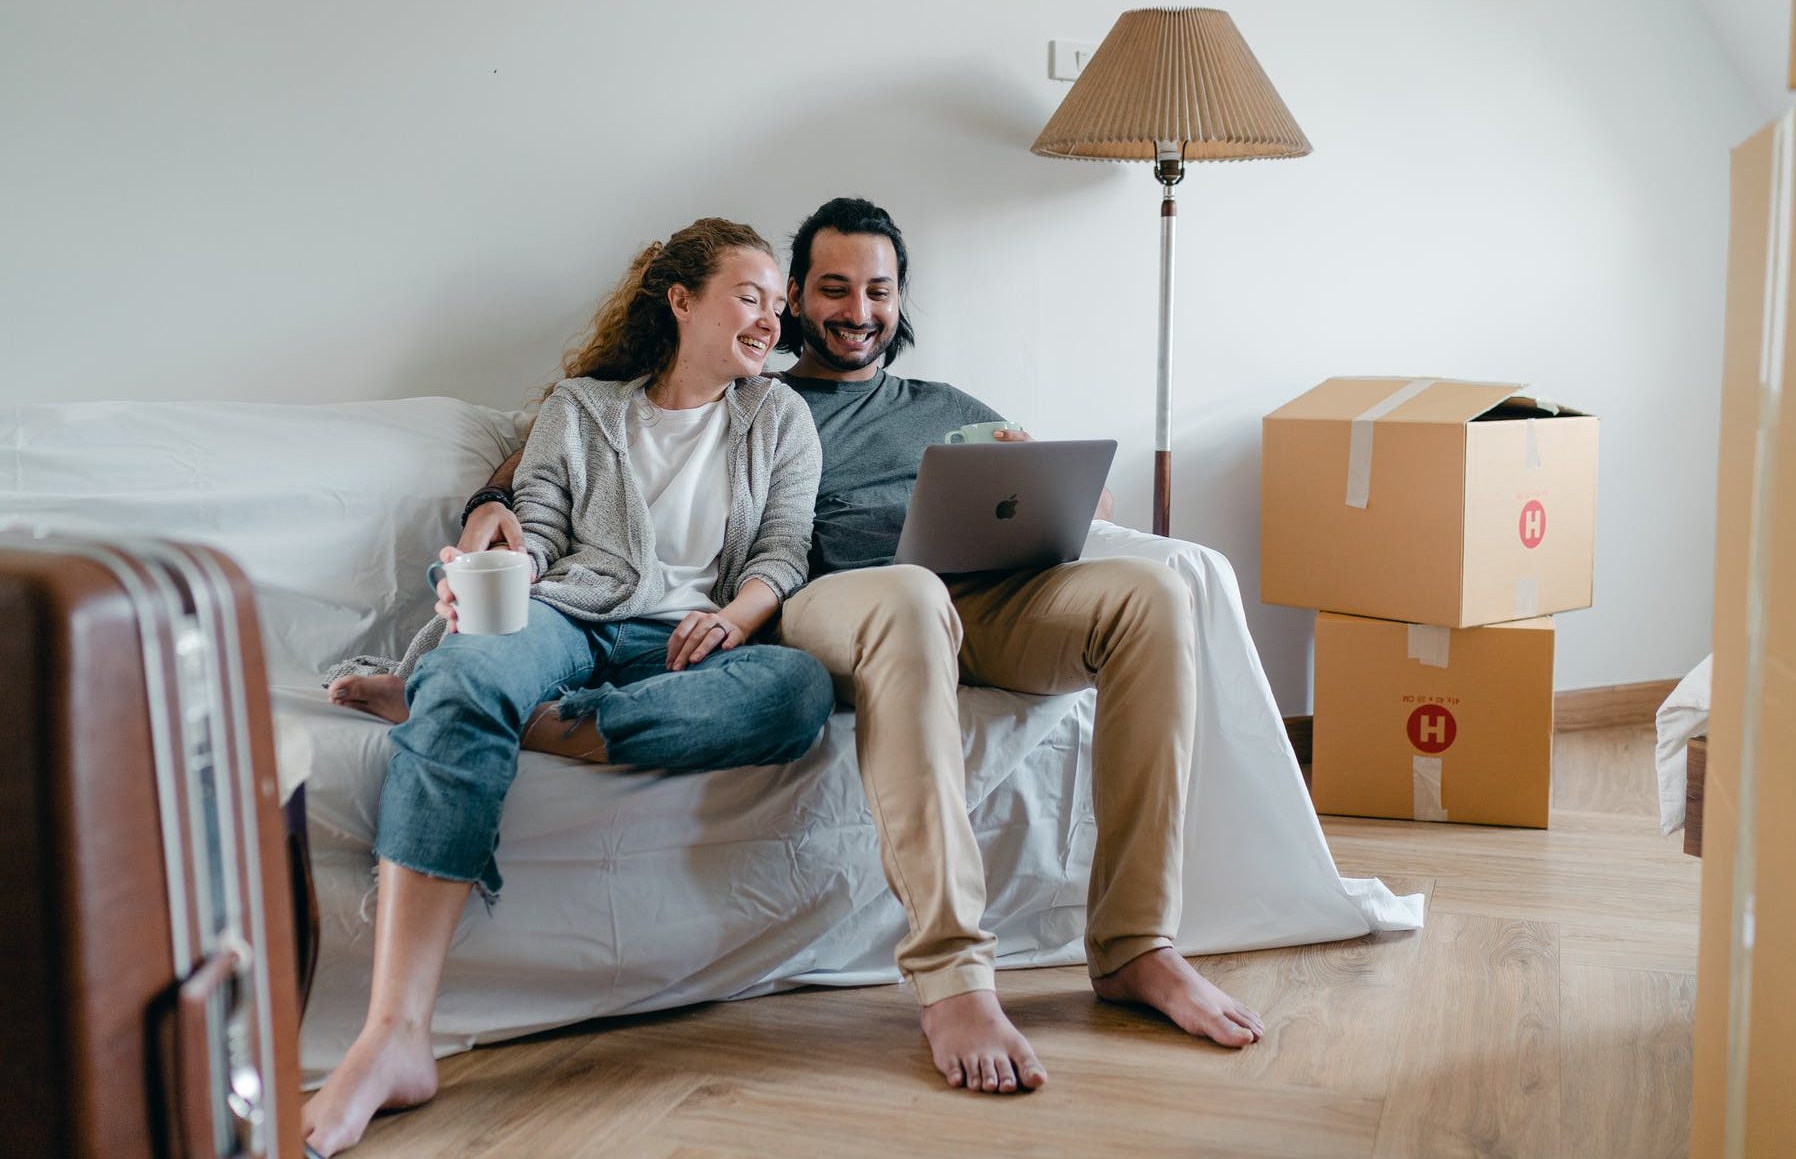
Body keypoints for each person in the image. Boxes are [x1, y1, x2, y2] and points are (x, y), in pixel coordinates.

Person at [457, 197, 1262, 1098]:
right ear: (793, 298)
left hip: (981, 596)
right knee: (911, 594)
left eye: (878, 290)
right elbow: (580, 439)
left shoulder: (943, 403)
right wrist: (484, 503)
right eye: (833, 289)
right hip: (834, 602)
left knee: (1154, 590)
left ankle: (1135, 944)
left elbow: (1087, 507)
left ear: (900, 298)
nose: (858, 309)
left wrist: (1037, 473)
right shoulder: (755, 393)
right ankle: (954, 974)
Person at [303, 218, 835, 1156]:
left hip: (693, 638)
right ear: (682, 301)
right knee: (475, 661)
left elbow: (784, 549)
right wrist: (495, 547)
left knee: (795, 690)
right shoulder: (585, 408)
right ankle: (394, 1037)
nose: (770, 318)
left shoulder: (780, 416)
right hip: (571, 613)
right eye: (750, 296)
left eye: (777, 304)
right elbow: (538, 526)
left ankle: (503, 716)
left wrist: (742, 617)